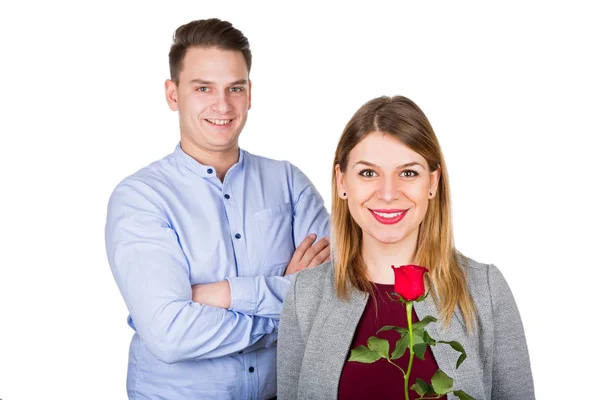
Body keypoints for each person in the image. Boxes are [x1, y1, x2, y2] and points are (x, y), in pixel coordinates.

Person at [105, 18, 330, 400]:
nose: (222, 105)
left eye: (235, 88)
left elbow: (332, 293)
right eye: (203, 88)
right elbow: (170, 334)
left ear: (250, 93)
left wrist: (221, 293)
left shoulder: (288, 182)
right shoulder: (141, 198)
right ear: (173, 94)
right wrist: (285, 310)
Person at [277, 96, 535, 399]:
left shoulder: (485, 289)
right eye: (368, 173)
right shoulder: (305, 293)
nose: (388, 193)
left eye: (408, 172)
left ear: (433, 182)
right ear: (342, 181)